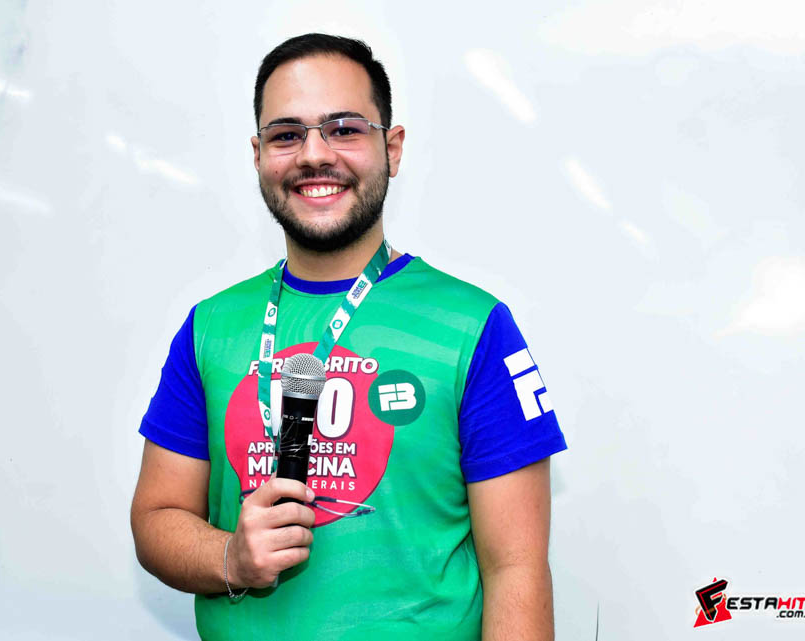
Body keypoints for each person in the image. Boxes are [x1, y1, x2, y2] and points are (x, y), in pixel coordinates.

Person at [130, 33, 567, 640]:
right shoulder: (211, 326)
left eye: (344, 129)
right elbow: (157, 518)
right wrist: (230, 557)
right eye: (286, 135)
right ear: (258, 155)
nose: (314, 154)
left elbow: (516, 570)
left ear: (393, 147)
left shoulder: (475, 327)